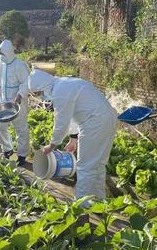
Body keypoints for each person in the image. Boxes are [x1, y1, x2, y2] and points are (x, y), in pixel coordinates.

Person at [28, 69, 117, 203]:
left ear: (43, 86)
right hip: (103, 119)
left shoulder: (60, 92)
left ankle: (82, 204)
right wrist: (73, 138)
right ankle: (98, 201)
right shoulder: (64, 84)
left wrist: (52, 146)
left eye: (39, 93)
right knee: (96, 165)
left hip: (96, 122)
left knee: (85, 166)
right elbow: (72, 115)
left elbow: (61, 121)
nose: (40, 97)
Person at [0, 40, 30, 164]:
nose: (1, 57)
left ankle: (22, 155)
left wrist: (21, 94)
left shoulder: (20, 65)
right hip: (3, 103)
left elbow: (27, 82)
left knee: (21, 130)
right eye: (0, 54)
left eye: (3, 54)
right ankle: (8, 149)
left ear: (10, 53)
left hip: (18, 104)